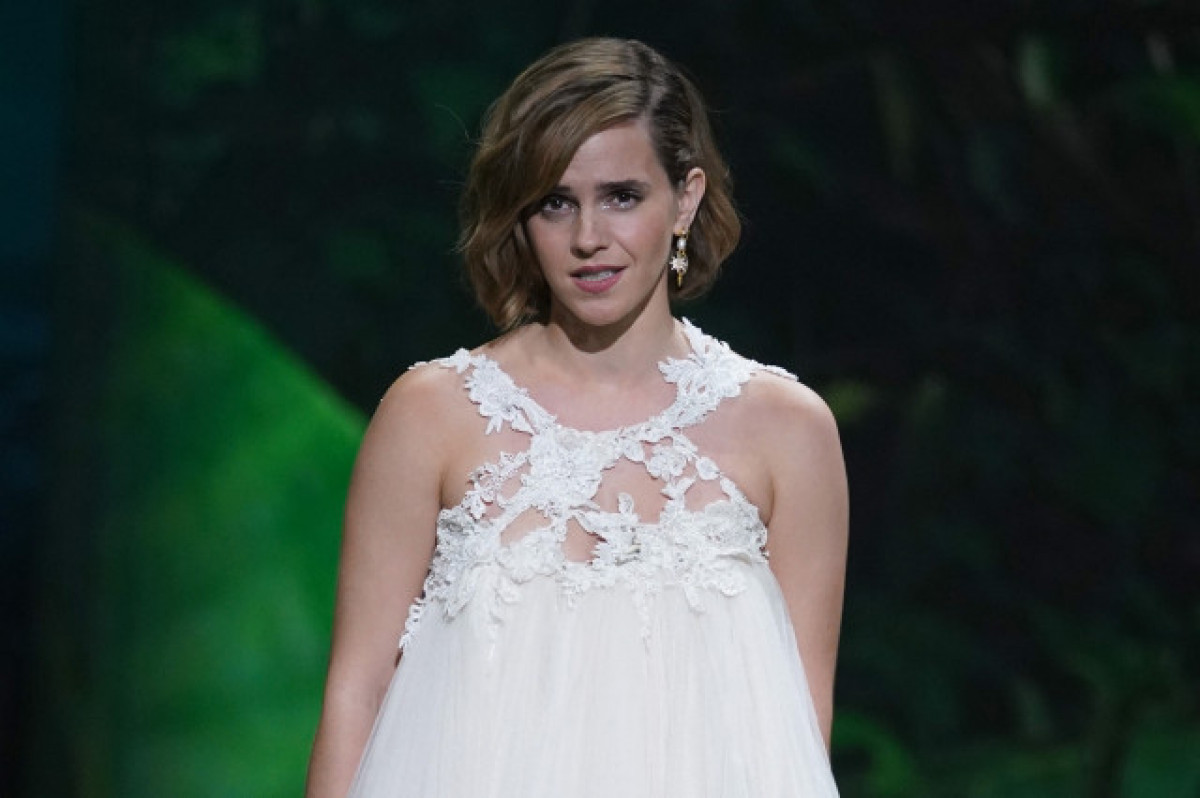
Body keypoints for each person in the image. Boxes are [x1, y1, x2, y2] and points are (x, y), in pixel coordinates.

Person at [305, 37, 848, 798]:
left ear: (685, 199)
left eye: (622, 195)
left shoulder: (787, 430)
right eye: (555, 203)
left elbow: (796, 732)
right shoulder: (433, 413)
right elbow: (357, 691)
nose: (588, 237)